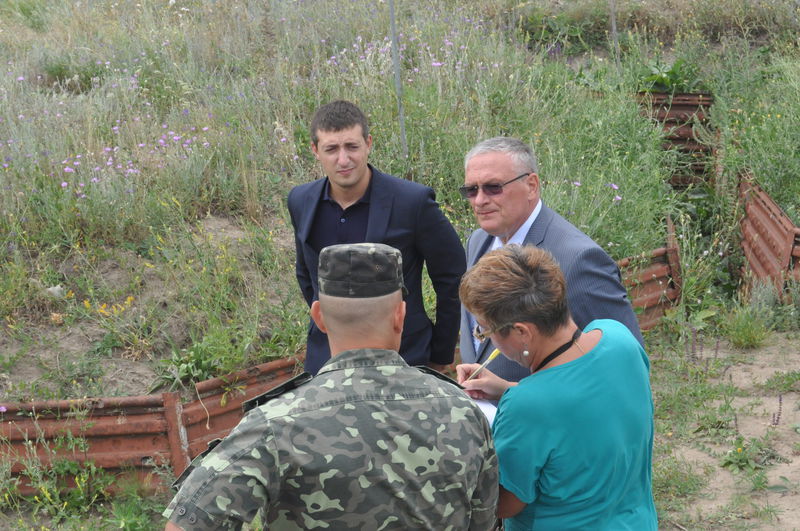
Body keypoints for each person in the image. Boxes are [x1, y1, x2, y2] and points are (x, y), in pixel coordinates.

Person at [164, 243, 499, 531]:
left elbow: (187, 522)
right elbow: (483, 519)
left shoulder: (275, 424)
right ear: (400, 316)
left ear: (319, 317)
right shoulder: (463, 411)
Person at [456, 245, 657, 531]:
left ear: (522, 332)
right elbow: (589, 402)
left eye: (484, 330)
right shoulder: (618, 338)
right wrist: (506, 388)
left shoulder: (526, 407)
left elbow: (503, 503)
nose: (486, 339)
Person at [288, 100, 465, 375]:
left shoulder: (413, 202)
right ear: (315, 150)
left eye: (352, 147)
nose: (343, 160)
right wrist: (327, 323)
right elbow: (306, 273)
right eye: (331, 149)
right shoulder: (300, 200)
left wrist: (441, 352)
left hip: (404, 358)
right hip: (326, 364)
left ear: (368, 143)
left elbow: (452, 276)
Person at [458, 136, 644, 383]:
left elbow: (626, 362)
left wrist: (515, 393)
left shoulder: (578, 259)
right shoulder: (478, 241)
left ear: (531, 185)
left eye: (494, 187)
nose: (480, 200)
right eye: (471, 190)